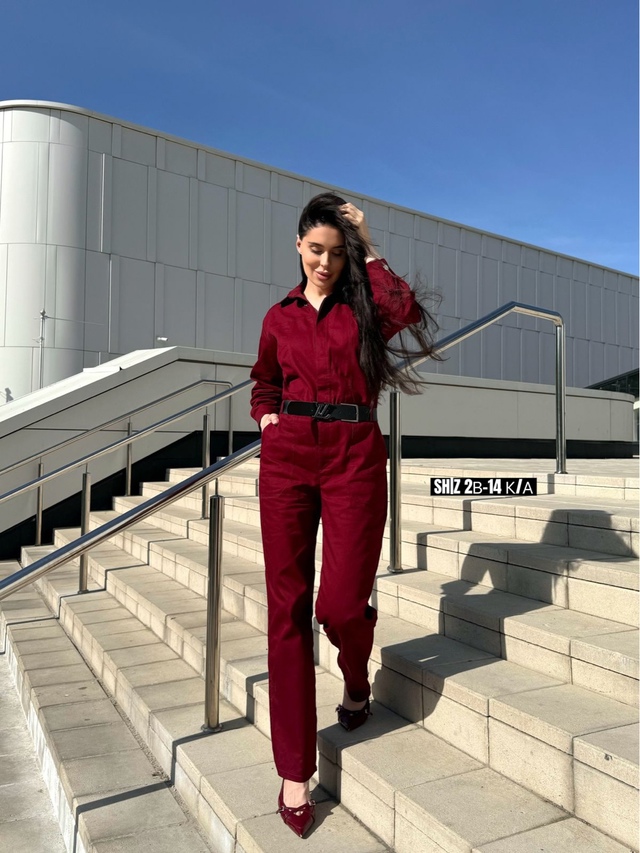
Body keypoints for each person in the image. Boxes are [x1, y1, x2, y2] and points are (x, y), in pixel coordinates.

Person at [249, 192, 439, 837]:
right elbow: (264, 380)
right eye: (316, 250)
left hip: (355, 455)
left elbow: (404, 310)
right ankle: (293, 770)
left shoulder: (364, 310)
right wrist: (267, 417)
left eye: (336, 252)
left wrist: (370, 243)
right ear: (298, 247)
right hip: (288, 460)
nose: (325, 262)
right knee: (287, 610)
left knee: (339, 605)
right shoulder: (279, 316)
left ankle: (355, 675)